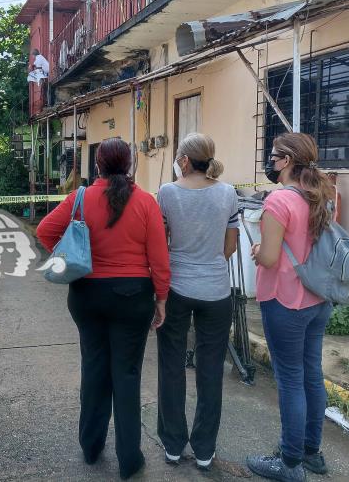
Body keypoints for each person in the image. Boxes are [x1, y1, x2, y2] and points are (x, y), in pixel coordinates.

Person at [36, 138, 170, 480]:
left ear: (97, 166)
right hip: (133, 297)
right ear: (129, 165)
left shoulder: (80, 198)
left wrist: (69, 256)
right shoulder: (145, 202)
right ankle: (129, 460)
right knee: (126, 376)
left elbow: (44, 231)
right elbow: (159, 257)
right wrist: (161, 298)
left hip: (87, 295)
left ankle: (91, 448)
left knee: (94, 370)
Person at [246, 133, 335, 482]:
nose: (270, 162)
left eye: (273, 156)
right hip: (318, 299)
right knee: (311, 373)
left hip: (286, 301)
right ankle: (312, 452)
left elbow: (268, 256)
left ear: (286, 161)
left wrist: (256, 252)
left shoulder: (280, 201)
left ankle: (289, 461)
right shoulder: (325, 195)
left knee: (290, 379)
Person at [156, 132, 239, 471]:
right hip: (217, 291)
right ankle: (204, 449)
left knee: (171, 365)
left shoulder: (167, 192)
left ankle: (173, 445)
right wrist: (208, 263)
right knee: (210, 371)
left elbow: (162, 245)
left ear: (185, 161)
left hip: (177, 288)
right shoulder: (228, 193)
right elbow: (230, 247)